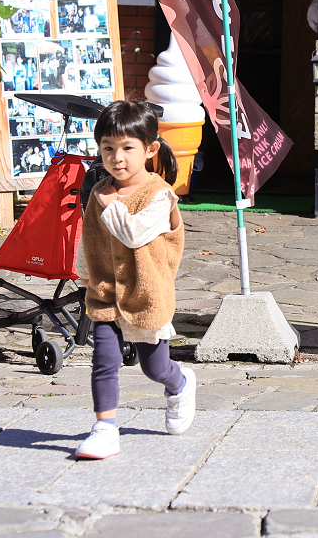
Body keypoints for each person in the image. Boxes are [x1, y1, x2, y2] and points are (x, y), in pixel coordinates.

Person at [75, 100, 195, 460]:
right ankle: (105, 428)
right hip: (106, 293)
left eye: (127, 148)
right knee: (104, 359)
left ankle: (181, 384)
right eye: (107, 148)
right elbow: (90, 238)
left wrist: (108, 201)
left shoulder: (160, 195)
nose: (117, 158)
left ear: (150, 148)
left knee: (153, 366)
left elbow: (133, 234)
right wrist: (84, 277)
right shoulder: (101, 193)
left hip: (147, 295)